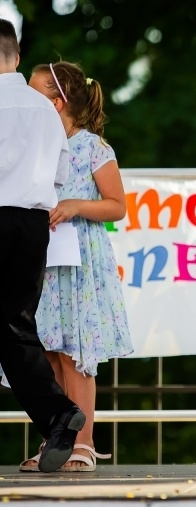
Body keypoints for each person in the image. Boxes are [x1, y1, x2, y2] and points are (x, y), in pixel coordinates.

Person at [19, 61, 132, 472]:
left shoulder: (92, 147)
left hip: (79, 263)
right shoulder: (31, 144)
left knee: (74, 354)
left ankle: (83, 444)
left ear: (57, 101)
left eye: (34, 93)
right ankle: (55, 439)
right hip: (41, 261)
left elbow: (116, 206)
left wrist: (74, 206)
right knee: (45, 350)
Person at [0, 19, 87, 473]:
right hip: (34, 224)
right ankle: (58, 414)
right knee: (15, 329)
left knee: (11, 331)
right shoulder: (44, 109)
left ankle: (57, 413)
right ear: (15, 55)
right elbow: (59, 174)